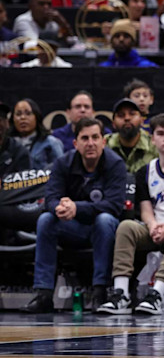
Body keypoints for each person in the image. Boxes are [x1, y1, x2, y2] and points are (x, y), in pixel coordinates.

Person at [97, 114, 164, 315]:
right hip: (156, 228)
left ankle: (156, 294)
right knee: (126, 226)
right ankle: (120, 294)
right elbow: (146, 210)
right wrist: (153, 226)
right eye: (160, 133)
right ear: (153, 139)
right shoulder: (145, 172)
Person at [20, 117, 127, 313]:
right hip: (71, 227)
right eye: (85, 138)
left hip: (102, 229)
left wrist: (77, 207)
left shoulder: (116, 164)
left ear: (104, 141)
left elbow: (114, 206)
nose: (91, 143)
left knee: (104, 220)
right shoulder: (63, 163)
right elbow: (50, 198)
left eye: (96, 137)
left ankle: (99, 291)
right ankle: (44, 294)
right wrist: (59, 208)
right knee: (46, 219)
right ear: (76, 143)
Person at [104, 98, 158, 174]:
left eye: (132, 114)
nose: (127, 118)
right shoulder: (104, 144)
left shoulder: (155, 145)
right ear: (113, 124)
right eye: (121, 115)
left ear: (142, 121)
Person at [9, 98, 64, 170]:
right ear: (13, 118)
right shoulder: (7, 144)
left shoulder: (51, 142)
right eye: (18, 114)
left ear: (37, 117)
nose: (23, 117)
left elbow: (61, 170)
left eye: (28, 113)